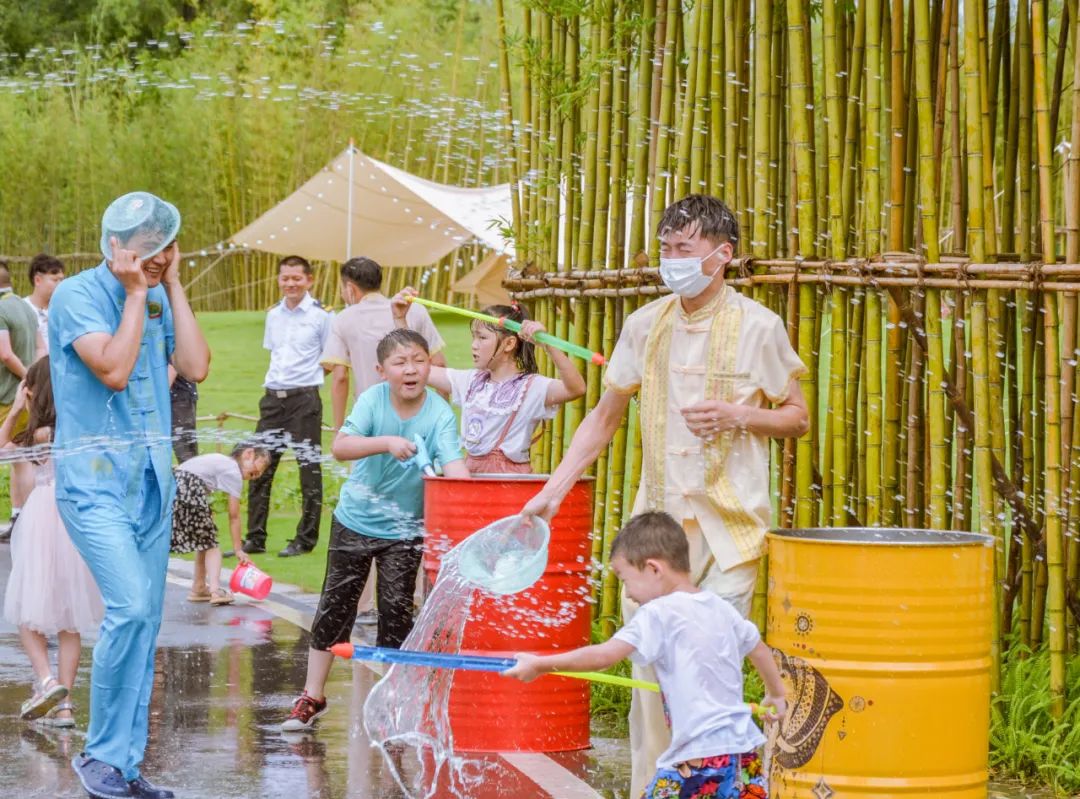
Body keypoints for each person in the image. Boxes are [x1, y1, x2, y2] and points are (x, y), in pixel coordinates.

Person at [520, 194, 809, 795]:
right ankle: (651, 787)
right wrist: (554, 488)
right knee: (650, 680)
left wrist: (738, 415)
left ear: (722, 255)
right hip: (656, 534)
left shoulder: (760, 325)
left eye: (685, 248)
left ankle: (726, 787)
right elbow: (604, 416)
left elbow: (797, 417)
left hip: (730, 532)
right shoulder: (644, 324)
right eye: (666, 248)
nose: (671, 259)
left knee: (709, 673)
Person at [50, 191, 210, 799]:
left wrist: (173, 287)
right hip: (92, 483)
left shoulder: (161, 293)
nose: (158, 258)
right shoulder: (77, 297)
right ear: (118, 249)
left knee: (146, 622)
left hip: (150, 482)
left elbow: (195, 366)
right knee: (131, 608)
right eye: (148, 251)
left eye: (165, 248)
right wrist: (138, 294)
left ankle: (124, 763)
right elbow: (114, 370)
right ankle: (99, 755)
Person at [504, 511, 787, 799]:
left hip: (697, 758)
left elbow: (604, 655)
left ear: (653, 569)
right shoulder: (719, 606)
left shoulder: (658, 613)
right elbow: (758, 648)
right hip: (742, 755)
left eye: (626, 579)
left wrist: (541, 664)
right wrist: (776, 693)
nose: (627, 594)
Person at [281, 329, 468, 732]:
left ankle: (393, 701)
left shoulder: (439, 413)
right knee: (335, 608)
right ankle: (312, 695)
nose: (411, 369)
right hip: (356, 520)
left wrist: (466, 495)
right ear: (382, 370)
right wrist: (386, 442)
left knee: (396, 614)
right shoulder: (372, 400)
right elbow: (341, 447)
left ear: (429, 365)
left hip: (405, 530)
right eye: (400, 363)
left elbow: (454, 466)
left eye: (419, 360)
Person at [319, 256, 447, 618]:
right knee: (411, 511)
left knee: (366, 510)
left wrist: (341, 430)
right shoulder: (414, 309)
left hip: (368, 425)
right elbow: (439, 365)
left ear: (350, 287)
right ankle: (413, 599)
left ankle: (363, 605)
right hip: (419, 421)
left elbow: (339, 377)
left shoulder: (345, 319)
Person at [2, 357, 103, 728]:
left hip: (42, 514)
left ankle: (46, 682)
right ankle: (64, 706)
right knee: (68, 619)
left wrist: (16, 410)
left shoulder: (37, 435)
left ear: (33, 391)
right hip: (73, 515)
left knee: (27, 610)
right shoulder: (74, 429)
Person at [391, 290, 585, 473]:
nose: (474, 345)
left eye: (482, 338)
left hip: (511, 486)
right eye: (473, 338)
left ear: (509, 344)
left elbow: (576, 388)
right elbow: (418, 369)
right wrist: (400, 319)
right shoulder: (469, 381)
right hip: (471, 480)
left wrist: (548, 344)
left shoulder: (531, 387)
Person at [242, 255, 332, 559]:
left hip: (303, 400)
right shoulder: (273, 315)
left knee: (308, 470)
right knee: (258, 465)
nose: (290, 284)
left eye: (297, 278)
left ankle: (305, 539)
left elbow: (330, 359)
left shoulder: (321, 316)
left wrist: (306, 382)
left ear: (309, 280)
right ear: (279, 280)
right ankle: (255, 537)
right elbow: (276, 355)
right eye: (285, 278)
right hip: (272, 400)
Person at [172, 443, 271, 606]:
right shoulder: (234, 471)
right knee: (212, 545)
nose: (258, 474)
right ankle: (216, 591)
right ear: (248, 454)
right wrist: (238, 549)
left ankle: (199, 587)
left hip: (174, 488)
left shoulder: (222, 462)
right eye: (259, 467)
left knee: (204, 541)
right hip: (189, 488)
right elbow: (234, 516)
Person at [0, 261, 45, 541]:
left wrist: (26, 378)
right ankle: (21, 517)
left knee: (17, 455)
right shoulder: (25, 307)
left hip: (7, 396)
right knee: (20, 456)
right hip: (25, 394)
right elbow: (41, 346)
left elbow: (5, 353)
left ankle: (24, 518)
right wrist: (35, 380)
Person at [24, 253, 64, 356]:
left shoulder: (63, 309)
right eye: (55, 280)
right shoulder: (22, 308)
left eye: (61, 280)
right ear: (37, 280)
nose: (60, 284)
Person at [169, 369, 199, 463]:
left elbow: (173, 365)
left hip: (178, 397)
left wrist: (159, 395)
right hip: (175, 396)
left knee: (185, 453)